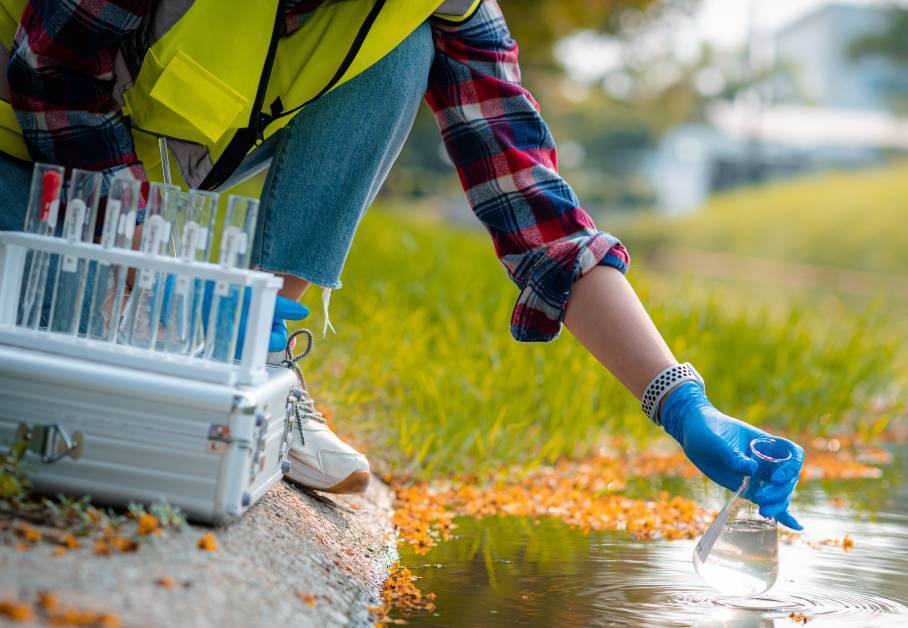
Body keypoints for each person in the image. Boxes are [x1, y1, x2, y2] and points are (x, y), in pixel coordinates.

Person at [0, 0, 804, 529]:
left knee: (404, 51)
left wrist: (680, 402)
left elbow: (535, 208)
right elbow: (49, 70)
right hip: (19, 133)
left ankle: (262, 358)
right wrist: (148, 277)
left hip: (148, 142)